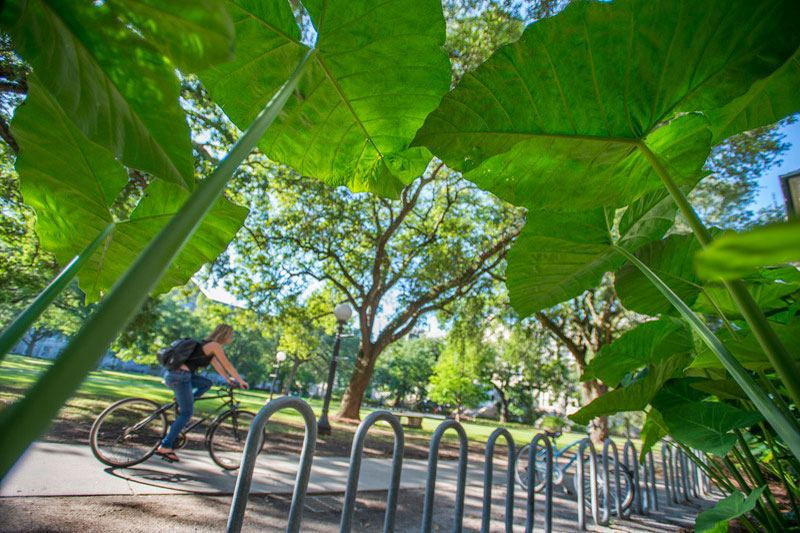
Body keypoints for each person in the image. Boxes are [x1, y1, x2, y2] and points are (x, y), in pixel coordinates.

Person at [156, 324, 249, 462]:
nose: (231, 338)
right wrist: (241, 381)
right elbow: (227, 364)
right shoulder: (215, 346)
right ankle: (166, 446)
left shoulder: (207, 346)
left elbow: (218, 366)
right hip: (181, 377)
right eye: (230, 335)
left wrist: (227, 379)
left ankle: (185, 401)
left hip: (177, 375)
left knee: (206, 383)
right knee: (187, 413)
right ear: (224, 335)